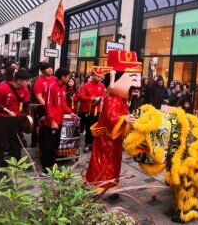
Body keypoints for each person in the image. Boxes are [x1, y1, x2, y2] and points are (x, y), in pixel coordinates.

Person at [86, 50, 141, 191]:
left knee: (114, 162)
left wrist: (129, 119)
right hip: (106, 139)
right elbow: (112, 118)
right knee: (105, 162)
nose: (135, 87)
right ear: (113, 80)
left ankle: (110, 183)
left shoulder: (120, 99)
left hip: (113, 140)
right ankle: (101, 185)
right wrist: (125, 118)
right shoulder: (112, 99)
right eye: (133, 81)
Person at [0, 69, 31, 168]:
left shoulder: (25, 89)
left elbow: (26, 104)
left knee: (17, 140)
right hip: (0, 119)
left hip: (15, 119)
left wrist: (23, 117)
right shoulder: (3, 88)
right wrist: (6, 111)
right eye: (26, 80)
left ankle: (17, 161)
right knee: (0, 142)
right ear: (19, 81)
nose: (28, 82)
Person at [40, 68, 75, 175]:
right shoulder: (52, 87)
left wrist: (70, 112)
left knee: (55, 146)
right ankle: (46, 169)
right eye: (67, 77)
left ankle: (52, 167)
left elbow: (63, 104)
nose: (69, 79)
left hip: (59, 121)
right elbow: (48, 105)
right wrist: (52, 120)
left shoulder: (63, 87)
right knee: (48, 146)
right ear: (62, 77)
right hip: (51, 122)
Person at [31, 62, 57, 148]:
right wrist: (47, 107)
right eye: (48, 68)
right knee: (38, 124)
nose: (50, 69)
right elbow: (39, 97)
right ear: (42, 71)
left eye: (51, 67)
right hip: (42, 107)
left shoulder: (55, 79)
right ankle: (35, 141)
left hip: (54, 107)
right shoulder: (39, 81)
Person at [79, 72, 106, 148]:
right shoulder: (86, 85)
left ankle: (94, 143)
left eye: (101, 77)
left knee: (96, 127)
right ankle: (88, 143)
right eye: (98, 77)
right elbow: (81, 96)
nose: (100, 79)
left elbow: (103, 96)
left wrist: (101, 99)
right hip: (88, 110)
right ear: (93, 76)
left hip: (97, 110)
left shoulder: (102, 85)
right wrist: (90, 98)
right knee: (88, 127)